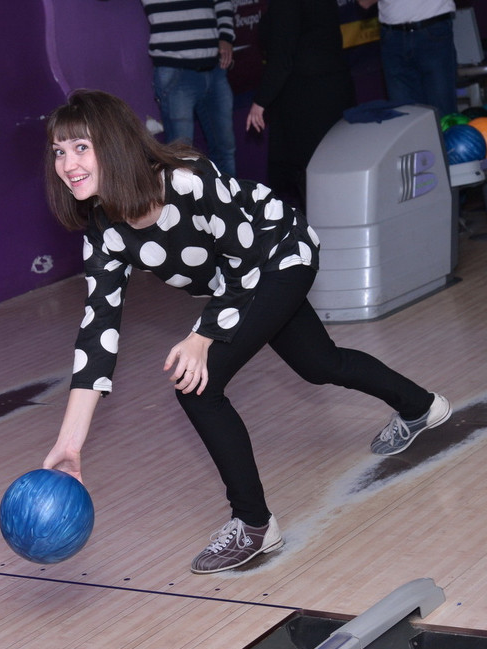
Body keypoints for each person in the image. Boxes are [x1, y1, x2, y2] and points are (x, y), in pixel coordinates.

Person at [41, 90, 451, 575]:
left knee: (200, 385)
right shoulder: (105, 229)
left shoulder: (187, 177)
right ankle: (423, 406)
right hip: (238, 284)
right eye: (59, 152)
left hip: (279, 253)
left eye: (80, 148)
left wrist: (202, 336)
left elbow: (247, 259)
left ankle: (254, 525)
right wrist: (70, 446)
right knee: (320, 364)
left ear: (113, 144)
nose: (67, 164)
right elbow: (97, 334)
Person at [246, 0, 357, 211]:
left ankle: (322, 235)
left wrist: (260, 102)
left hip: (307, 98)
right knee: (332, 171)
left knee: (314, 175)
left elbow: (282, 57)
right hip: (333, 91)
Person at [142, 0, 237, 177]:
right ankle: (187, 205)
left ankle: (228, 203)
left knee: (225, 149)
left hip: (214, 68)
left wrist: (225, 36)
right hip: (175, 69)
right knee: (181, 158)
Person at [357, 0, 459, 118]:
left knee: (443, 115)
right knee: (406, 117)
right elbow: (364, 3)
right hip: (392, 35)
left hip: (432, 27)